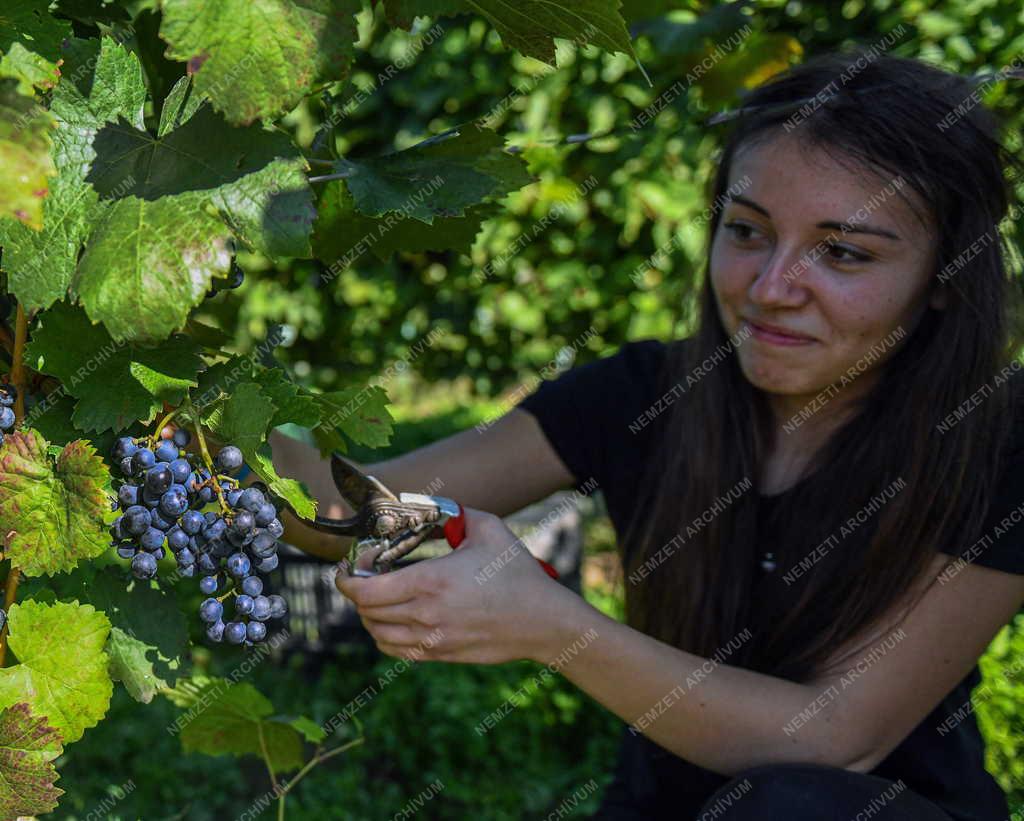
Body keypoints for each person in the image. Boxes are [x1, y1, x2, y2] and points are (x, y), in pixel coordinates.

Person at [260, 48, 1024, 820]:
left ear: (946, 277)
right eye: (748, 231)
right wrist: (202, 405)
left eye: (842, 252)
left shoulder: (994, 436)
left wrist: (553, 625)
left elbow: (833, 738)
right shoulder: (650, 394)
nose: (770, 289)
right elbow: (339, 501)